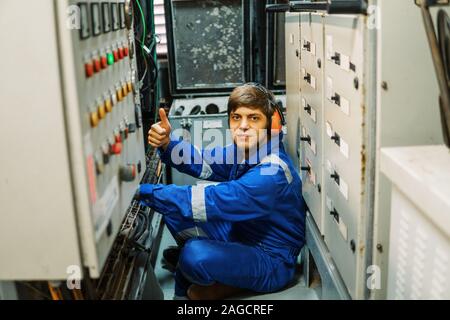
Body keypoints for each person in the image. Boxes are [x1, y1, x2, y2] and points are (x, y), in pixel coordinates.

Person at [137, 83, 306, 300]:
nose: (243, 126)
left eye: (253, 118)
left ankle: (222, 276)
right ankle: (223, 274)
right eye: (237, 117)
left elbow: (212, 201)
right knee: (174, 211)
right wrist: (167, 144)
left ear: (271, 125)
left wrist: (144, 193)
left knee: (193, 254)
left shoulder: (272, 173)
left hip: (271, 260)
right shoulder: (246, 151)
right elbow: (203, 160)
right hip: (240, 233)